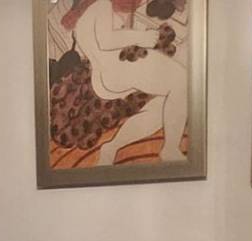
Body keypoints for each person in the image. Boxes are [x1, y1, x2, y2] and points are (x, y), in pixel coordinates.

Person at [69, 0, 190, 164]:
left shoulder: (94, 12)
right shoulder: (102, 5)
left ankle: (112, 147)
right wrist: (141, 37)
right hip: (118, 68)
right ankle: (170, 149)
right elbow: (106, 40)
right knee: (181, 80)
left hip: (107, 76)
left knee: (164, 105)